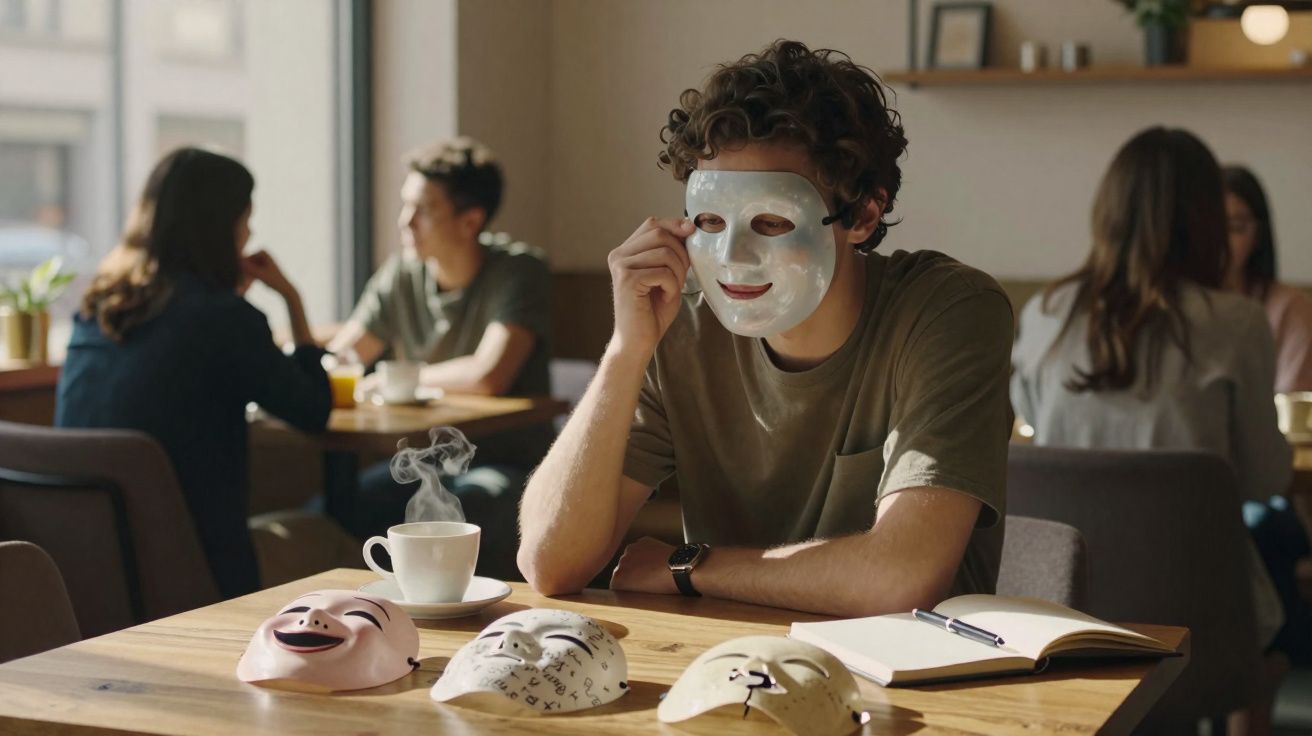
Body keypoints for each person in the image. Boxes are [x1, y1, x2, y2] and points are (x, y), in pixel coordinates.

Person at [517, 40, 1014, 618]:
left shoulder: (948, 311)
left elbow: (900, 577)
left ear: (862, 216)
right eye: (709, 220)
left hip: (920, 685)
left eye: (772, 221)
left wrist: (689, 566)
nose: (733, 256)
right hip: (726, 671)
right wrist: (625, 351)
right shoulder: (677, 325)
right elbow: (550, 563)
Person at [1010, 128, 1294, 736]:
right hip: (1196, 617)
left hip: (1062, 610)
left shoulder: (1046, 314)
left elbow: (1029, 423)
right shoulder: (1236, 324)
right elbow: (1268, 478)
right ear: (1207, 220)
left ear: (1107, 212)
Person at [56, 147, 331, 598]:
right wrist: (292, 300)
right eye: (245, 219)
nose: (249, 233)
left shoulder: (98, 309)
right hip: (199, 572)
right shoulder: (223, 319)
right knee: (331, 535)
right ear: (220, 229)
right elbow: (313, 411)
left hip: (92, 575)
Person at [329, 137, 551, 579]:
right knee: (335, 509)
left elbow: (489, 376)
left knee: (464, 509)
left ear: (470, 221)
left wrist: (398, 380)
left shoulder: (519, 271)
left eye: (423, 210)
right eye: (404, 205)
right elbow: (347, 357)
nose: (404, 222)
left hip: (506, 463)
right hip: (421, 463)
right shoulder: (402, 274)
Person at [1223, 165, 1312, 393]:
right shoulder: (1180, 309)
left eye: (1235, 227)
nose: (1221, 241)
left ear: (1258, 234)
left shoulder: (1289, 308)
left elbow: (1291, 407)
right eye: (1212, 227)